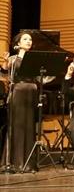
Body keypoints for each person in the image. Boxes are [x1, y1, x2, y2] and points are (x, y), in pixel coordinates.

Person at [1, 32, 38, 172]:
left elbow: (43, 77)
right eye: (25, 39)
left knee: (29, 127)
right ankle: (12, 162)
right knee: (17, 126)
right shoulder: (13, 58)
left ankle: (28, 163)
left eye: (30, 39)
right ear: (18, 43)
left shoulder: (34, 59)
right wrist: (5, 62)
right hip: (18, 92)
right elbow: (5, 72)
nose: (29, 41)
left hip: (31, 93)